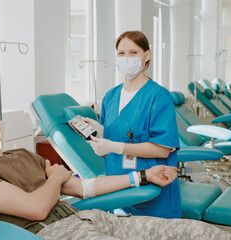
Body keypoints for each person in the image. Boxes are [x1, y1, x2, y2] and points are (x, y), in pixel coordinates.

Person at [0, 91, 231, 240]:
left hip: (93, 219)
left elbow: (85, 187)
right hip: (54, 234)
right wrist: (55, 177)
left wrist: (142, 175)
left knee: (193, 232)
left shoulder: (23, 154)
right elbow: (34, 209)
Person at [83, 31, 181, 218]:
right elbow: (118, 133)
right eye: (121, 53)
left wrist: (115, 146)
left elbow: (162, 149)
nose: (126, 58)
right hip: (117, 186)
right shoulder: (110, 96)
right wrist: (98, 130)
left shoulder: (158, 96)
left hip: (152, 191)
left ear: (147, 55)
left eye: (133, 52)